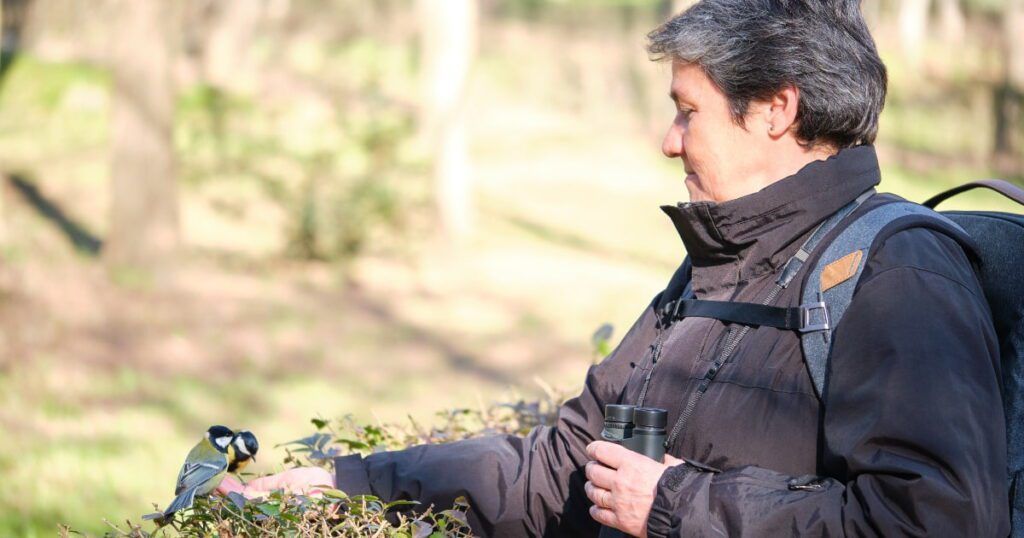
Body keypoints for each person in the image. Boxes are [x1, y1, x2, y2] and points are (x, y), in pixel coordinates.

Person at [221, 1, 1010, 535]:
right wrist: (349, 483)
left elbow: (936, 518)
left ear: (775, 109)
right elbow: (553, 473)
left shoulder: (900, 275)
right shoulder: (711, 273)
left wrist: (675, 502)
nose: (670, 140)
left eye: (687, 109)